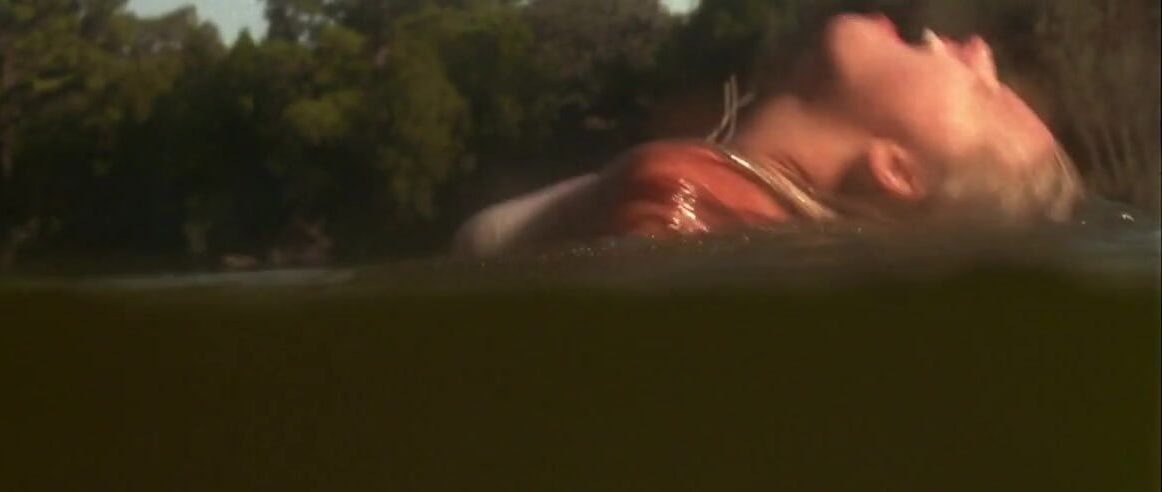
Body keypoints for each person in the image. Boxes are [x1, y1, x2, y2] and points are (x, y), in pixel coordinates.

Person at [453, 13, 1084, 257]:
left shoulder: (685, 195)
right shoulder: (730, 202)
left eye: (985, 91)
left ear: (899, 170)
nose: (979, 49)